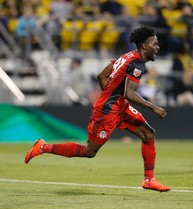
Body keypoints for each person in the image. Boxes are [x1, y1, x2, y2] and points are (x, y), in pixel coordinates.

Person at [24, 25, 171, 192]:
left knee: (148, 134)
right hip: (107, 111)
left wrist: (111, 96)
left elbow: (102, 75)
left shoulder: (127, 57)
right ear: (145, 46)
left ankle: (149, 180)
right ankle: (43, 147)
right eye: (155, 44)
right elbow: (129, 93)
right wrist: (153, 107)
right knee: (89, 151)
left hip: (118, 106)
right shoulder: (137, 63)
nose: (157, 48)